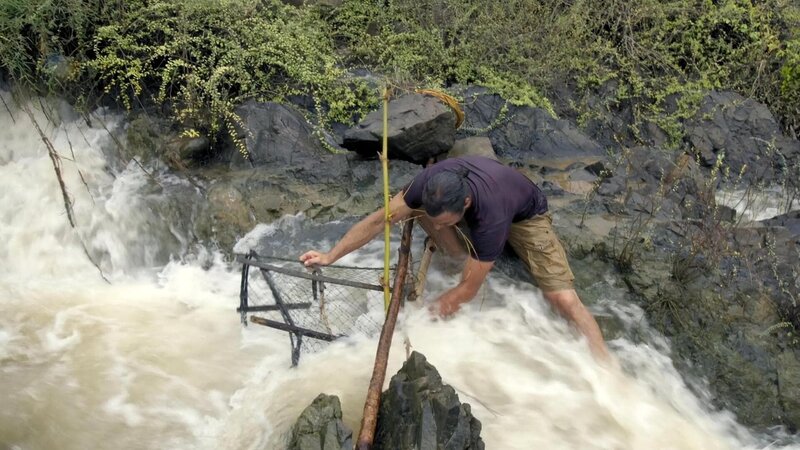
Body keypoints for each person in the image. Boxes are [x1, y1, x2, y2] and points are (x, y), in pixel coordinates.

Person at [299, 155, 610, 360]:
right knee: (414, 214)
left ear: (466, 203)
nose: (436, 228)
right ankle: (455, 250)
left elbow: (467, 290)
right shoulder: (426, 185)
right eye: (436, 222)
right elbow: (379, 220)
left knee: (562, 298)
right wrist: (330, 255)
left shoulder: (491, 219)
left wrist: (420, 322)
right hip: (481, 193)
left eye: (444, 222)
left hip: (525, 216)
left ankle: (605, 365)